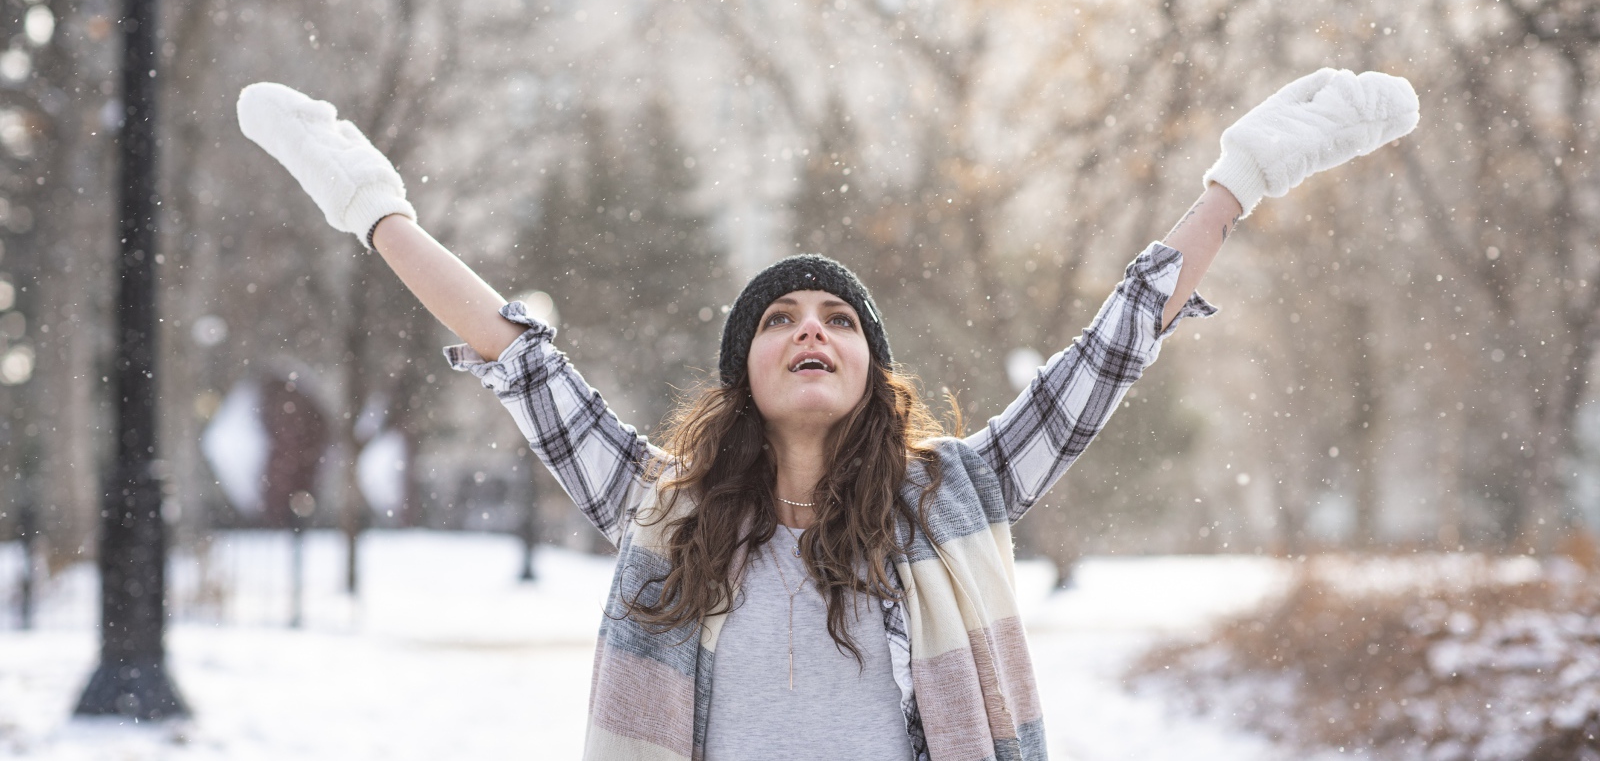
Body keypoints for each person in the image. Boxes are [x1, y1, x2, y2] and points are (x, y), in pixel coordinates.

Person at [237, 67, 1418, 761]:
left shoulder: (955, 496)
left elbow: (1108, 352)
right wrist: (373, 206)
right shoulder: (664, 512)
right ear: (744, 374)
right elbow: (519, 356)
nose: (811, 328)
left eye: (838, 318)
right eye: (780, 318)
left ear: (870, 370)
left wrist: (1238, 178)